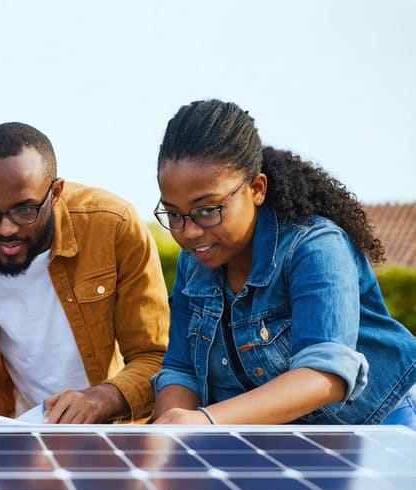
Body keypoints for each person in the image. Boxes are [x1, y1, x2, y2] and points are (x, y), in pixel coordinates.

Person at [150, 99, 416, 426]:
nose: (189, 232)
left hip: (379, 429)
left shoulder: (314, 246)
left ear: (257, 189)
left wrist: (204, 421)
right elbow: (181, 370)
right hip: (275, 439)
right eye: (174, 214)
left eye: (207, 210)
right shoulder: (193, 263)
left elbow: (325, 373)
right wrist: (169, 433)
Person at [0, 122, 170, 423]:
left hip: (109, 434)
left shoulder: (114, 227)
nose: (5, 229)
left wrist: (100, 399)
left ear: (56, 192)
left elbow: (155, 356)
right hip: (15, 437)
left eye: (24, 211)